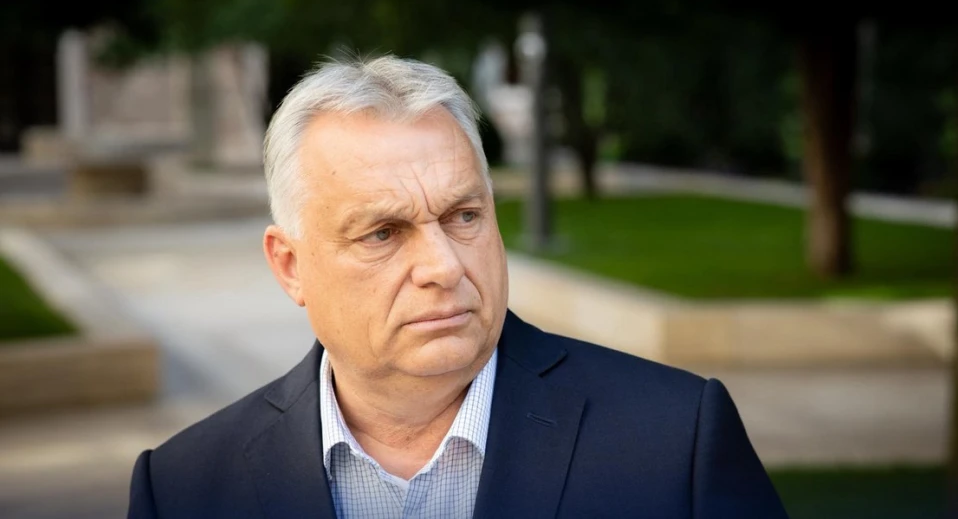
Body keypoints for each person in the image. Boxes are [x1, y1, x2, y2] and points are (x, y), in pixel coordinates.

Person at [126, 55, 789, 519]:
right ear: (290, 265)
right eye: (383, 232)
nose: (443, 266)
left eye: (463, 216)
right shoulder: (183, 489)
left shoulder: (675, 442)